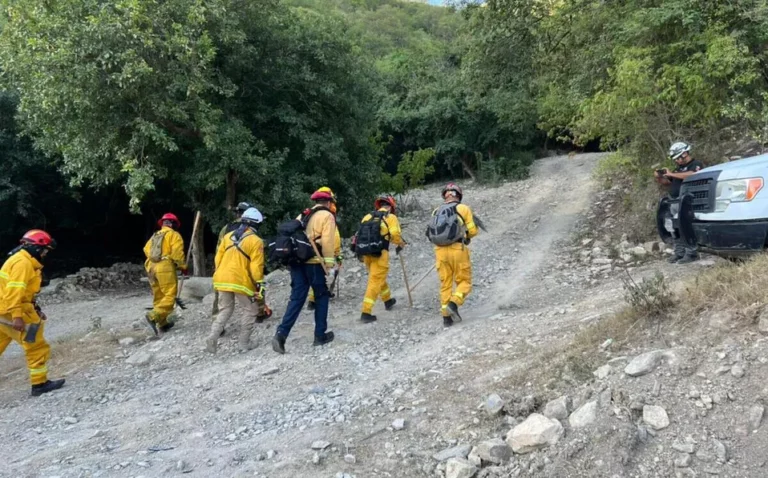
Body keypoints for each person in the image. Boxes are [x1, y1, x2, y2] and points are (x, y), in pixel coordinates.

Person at [0, 230, 65, 396]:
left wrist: (36, 309)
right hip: (13, 311)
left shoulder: (20, 260)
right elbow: (14, 292)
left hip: (3, 310)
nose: (45, 253)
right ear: (36, 248)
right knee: (36, 345)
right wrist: (17, 317)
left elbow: (24, 291)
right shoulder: (23, 264)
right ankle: (39, 384)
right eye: (45, 250)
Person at [272, 188, 337, 353]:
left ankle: (281, 334)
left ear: (315, 202)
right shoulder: (327, 216)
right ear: (329, 202)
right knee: (321, 296)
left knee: (296, 299)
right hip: (315, 263)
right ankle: (319, 335)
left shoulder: (302, 215)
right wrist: (329, 264)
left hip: (297, 262)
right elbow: (328, 241)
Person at [206, 207, 266, 354]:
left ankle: (212, 337)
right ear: (256, 224)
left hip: (221, 278)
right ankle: (243, 344)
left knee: (225, 309)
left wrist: (218, 274)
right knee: (251, 310)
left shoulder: (228, 237)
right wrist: (259, 283)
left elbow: (218, 259)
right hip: (240, 280)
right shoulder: (256, 241)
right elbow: (256, 267)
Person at [428, 183, 478, 327]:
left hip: (440, 251)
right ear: (458, 195)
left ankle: (446, 318)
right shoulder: (463, 208)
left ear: (445, 195)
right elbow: (473, 231)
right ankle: (454, 303)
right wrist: (467, 235)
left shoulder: (436, 211)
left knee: (445, 284)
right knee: (465, 282)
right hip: (457, 248)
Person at [358, 194, 405, 323]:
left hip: (366, 253)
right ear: (390, 206)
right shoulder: (390, 217)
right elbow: (395, 234)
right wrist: (400, 243)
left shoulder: (367, 216)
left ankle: (387, 300)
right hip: (380, 253)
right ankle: (366, 312)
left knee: (377, 277)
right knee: (375, 280)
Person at [654, 141, 704, 264]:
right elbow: (668, 183)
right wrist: (660, 177)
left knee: (685, 227)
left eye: (678, 158)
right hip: (673, 200)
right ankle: (679, 252)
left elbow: (693, 175)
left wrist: (671, 173)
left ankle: (691, 253)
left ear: (685, 153)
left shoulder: (696, 164)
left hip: (685, 201)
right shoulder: (678, 169)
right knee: (673, 227)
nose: (677, 161)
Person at [143, 213, 187, 335]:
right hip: (164, 266)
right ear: (173, 224)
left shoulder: (154, 236)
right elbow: (177, 253)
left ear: (162, 223)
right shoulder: (174, 235)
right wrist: (182, 266)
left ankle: (162, 324)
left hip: (151, 267)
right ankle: (153, 316)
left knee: (159, 295)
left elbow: (146, 249)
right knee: (170, 295)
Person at [211, 202, 253, 317]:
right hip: (243, 264)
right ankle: (259, 312)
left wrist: (217, 266)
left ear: (237, 214)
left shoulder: (226, 228)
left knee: (220, 296)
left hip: (225, 265)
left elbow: (219, 248)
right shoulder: (251, 228)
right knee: (253, 287)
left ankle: (217, 319)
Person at [308, 187, 342, 310]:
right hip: (324, 249)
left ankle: (312, 299)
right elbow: (334, 236)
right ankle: (315, 300)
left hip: (310, 250)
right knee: (321, 276)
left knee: (316, 277)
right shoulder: (328, 214)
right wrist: (337, 253)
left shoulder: (309, 214)